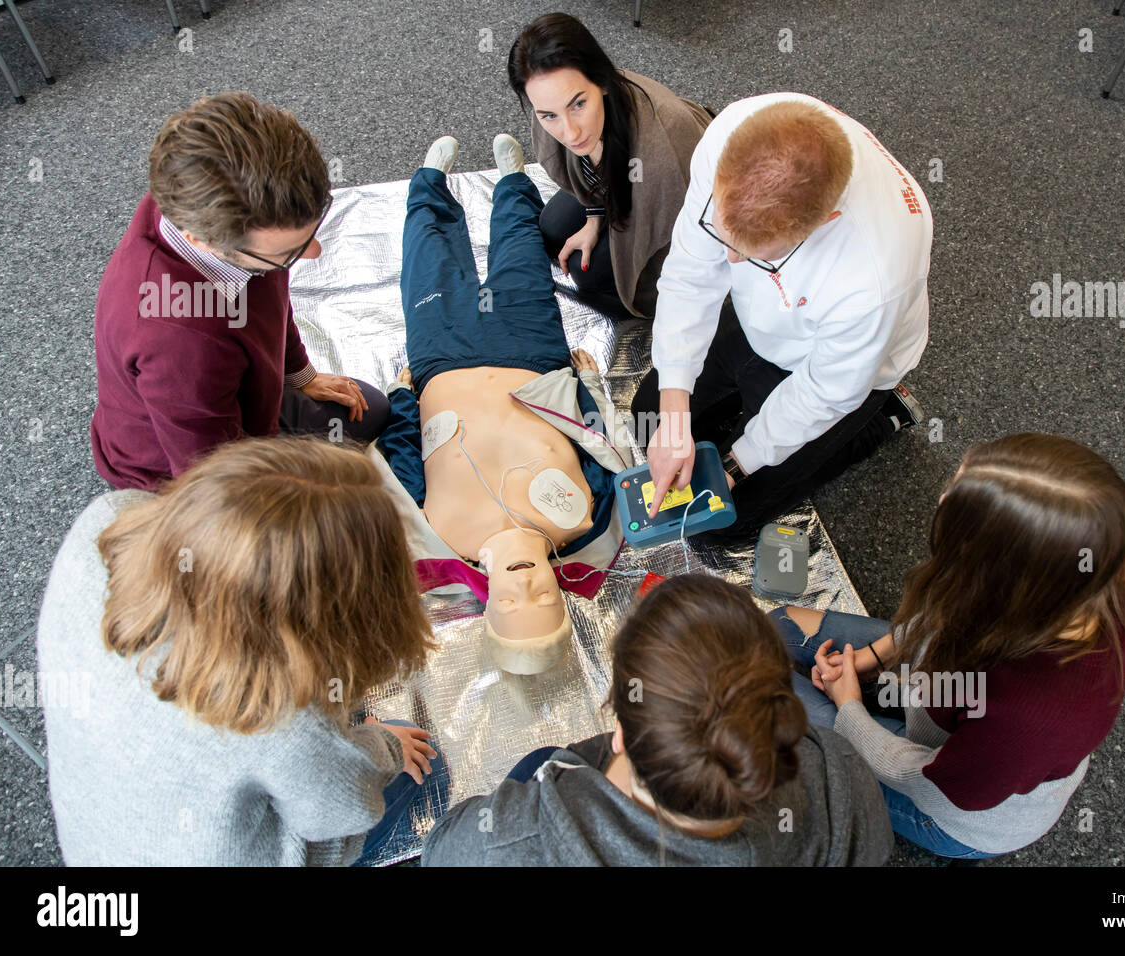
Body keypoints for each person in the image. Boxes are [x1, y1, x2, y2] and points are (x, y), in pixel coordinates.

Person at [37, 436, 444, 866]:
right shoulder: (285, 719)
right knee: (421, 763)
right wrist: (387, 747)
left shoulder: (104, 523)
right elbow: (342, 808)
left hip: (103, 835)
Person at [768, 433, 1125, 860]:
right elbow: (950, 611)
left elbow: (927, 783)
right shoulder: (1097, 558)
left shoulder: (1032, 721)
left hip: (945, 805)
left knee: (758, 695)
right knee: (779, 626)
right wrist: (874, 659)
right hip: (949, 696)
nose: (943, 497)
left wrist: (851, 708)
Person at [373, 134, 635, 675]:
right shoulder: (587, 520)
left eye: (511, 603)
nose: (527, 587)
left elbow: (400, 463)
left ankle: (429, 186)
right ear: (560, 597)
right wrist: (586, 379)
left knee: (429, 263)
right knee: (521, 253)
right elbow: (598, 442)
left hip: (442, 360)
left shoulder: (440, 533)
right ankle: (514, 181)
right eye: (544, 602)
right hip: (532, 355)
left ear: (487, 603)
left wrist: (402, 396)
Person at [419, 572, 892, 866]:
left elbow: (441, 849)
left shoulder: (513, 839)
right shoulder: (838, 774)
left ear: (619, 732)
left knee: (540, 760)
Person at [634, 93, 933, 536]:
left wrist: (737, 464)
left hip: (831, 366)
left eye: (754, 255)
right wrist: (675, 416)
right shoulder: (732, 132)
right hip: (766, 322)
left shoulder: (876, 277)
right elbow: (691, 276)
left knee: (718, 521)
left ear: (824, 221)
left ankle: (885, 414)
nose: (729, 262)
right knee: (649, 418)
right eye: (722, 233)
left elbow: (824, 392)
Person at [90, 92, 390, 491]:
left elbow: (272, 303)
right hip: (183, 469)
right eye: (290, 253)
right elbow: (216, 479)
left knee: (372, 411)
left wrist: (301, 376)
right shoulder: (181, 342)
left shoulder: (212, 205)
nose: (314, 254)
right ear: (204, 242)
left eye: (312, 232)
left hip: (241, 401)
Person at [508, 12, 714, 318]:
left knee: (587, 275)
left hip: (678, 200)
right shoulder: (551, 104)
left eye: (578, 104)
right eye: (549, 115)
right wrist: (594, 218)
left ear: (602, 82)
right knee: (552, 229)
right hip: (617, 181)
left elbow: (692, 235)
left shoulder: (665, 146)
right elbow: (584, 174)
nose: (570, 133)